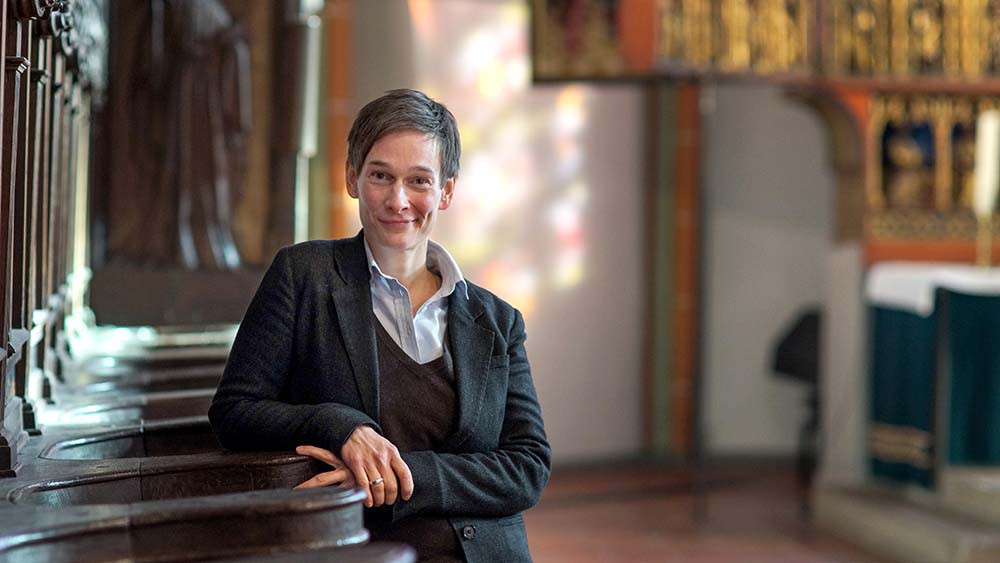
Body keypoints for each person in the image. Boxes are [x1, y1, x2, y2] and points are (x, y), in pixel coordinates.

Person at [209, 89, 551, 562]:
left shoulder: (497, 321)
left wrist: (400, 476)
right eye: (380, 176)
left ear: (446, 191)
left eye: (418, 181)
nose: (398, 200)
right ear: (352, 177)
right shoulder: (302, 275)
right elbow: (233, 412)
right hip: (360, 551)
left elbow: (527, 466)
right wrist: (340, 425)